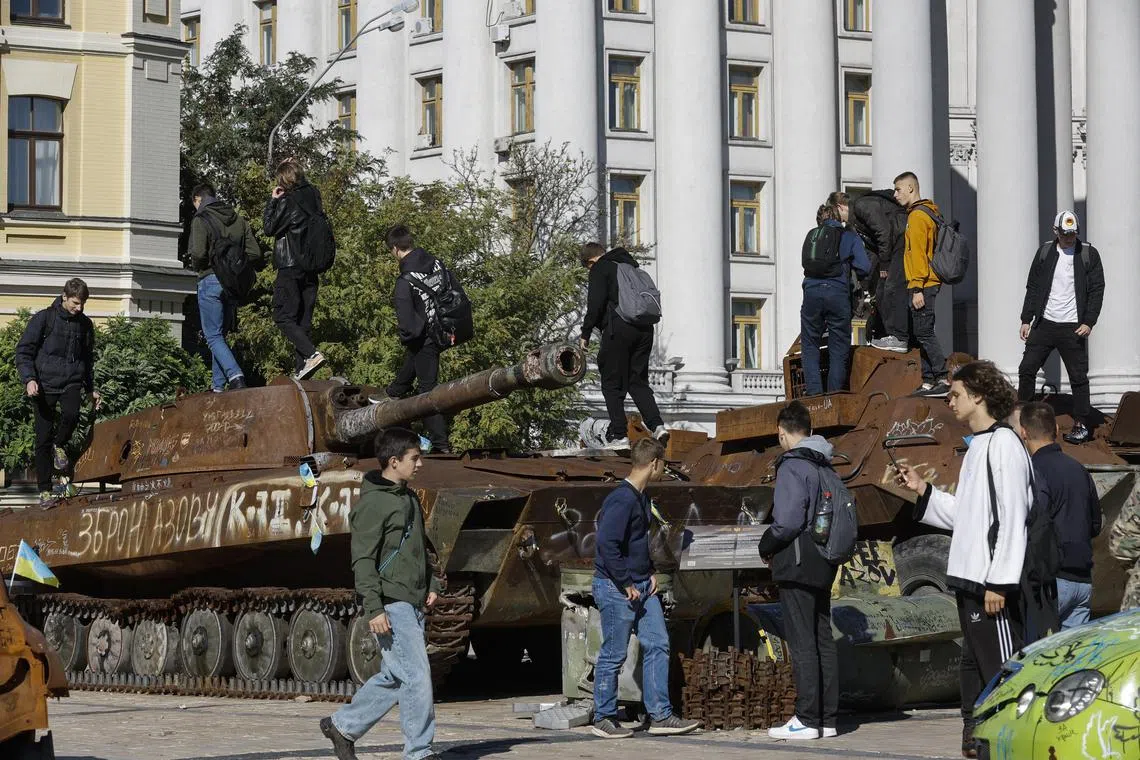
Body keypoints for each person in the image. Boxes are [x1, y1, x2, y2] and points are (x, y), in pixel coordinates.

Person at [896, 361, 1032, 758]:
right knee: (975, 664)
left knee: (1002, 669)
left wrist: (999, 582)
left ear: (979, 395)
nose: (949, 401)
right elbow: (968, 516)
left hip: (990, 584)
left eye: (955, 394)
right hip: (970, 579)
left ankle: (1010, 742)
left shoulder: (1004, 444)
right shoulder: (980, 447)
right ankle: (980, 738)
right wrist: (924, 491)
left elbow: (1013, 517)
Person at [321, 427, 444, 760]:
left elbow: (419, 548)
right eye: (414, 458)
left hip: (413, 599)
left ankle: (343, 725)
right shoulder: (374, 505)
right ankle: (419, 752)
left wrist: (431, 584)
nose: (420, 464)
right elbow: (362, 559)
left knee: (396, 674)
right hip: (392, 602)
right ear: (394, 461)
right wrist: (374, 608)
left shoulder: (407, 497)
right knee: (417, 677)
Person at [591, 437, 699, 739]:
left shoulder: (641, 497)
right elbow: (607, 544)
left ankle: (660, 715)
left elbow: (636, 542)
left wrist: (648, 572)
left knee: (658, 643)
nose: (664, 470)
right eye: (663, 464)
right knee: (614, 653)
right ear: (654, 464)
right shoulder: (623, 499)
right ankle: (604, 717)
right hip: (616, 588)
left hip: (642, 586)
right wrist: (626, 582)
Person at [757, 401, 840, 741]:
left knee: (802, 641)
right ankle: (827, 719)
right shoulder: (826, 464)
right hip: (823, 560)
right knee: (823, 639)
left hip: (797, 561)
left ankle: (806, 720)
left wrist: (765, 545)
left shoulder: (793, 465)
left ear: (782, 433)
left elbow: (788, 522)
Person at [1017, 210, 1105, 445]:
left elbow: (1097, 289)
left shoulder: (1088, 254)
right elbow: (1033, 287)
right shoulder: (1045, 252)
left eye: (1073, 233)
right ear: (1055, 231)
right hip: (1044, 323)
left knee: (1078, 377)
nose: (1070, 238)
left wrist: (1089, 321)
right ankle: (1020, 419)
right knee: (1027, 369)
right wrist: (1026, 319)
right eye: (1065, 234)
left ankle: (1082, 424)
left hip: (1073, 327)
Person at [15, 278, 102, 508]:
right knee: (42, 438)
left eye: (83, 303)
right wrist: (29, 379)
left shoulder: (85, 325)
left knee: (72, 414)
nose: (79, 308)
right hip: (43, 385)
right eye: (75, 303)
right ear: (64, 297)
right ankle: (45, 491)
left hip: (71, 381)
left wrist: (91, 388)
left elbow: (87, 359)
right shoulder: (44, 319)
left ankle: (60, 444)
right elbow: (24, 351)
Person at [1016, 401, 1102, 629]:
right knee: (1072, 660)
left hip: (1050, 583)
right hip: (1083, 581)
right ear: (1056, 429)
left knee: (1037, 657)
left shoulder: (1032, 471)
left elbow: (1033, 524)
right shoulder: (1079, 469)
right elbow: (1096, 525)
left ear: (1023, 432)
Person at [580, 243, 668, 450]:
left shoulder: (601, 268)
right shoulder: (633, 268)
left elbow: (595, 304)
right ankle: (657, 426)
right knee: (637, 382)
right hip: (645, 329)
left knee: (611, 383)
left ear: (591, 262)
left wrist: (585, 333)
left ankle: (619, 436)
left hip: (618, 328)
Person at [186, 182, 263, 392]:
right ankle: (218, 387)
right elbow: (255, 253)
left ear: (198, 200)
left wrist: (200, 265)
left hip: (209, 280)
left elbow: (199, 254)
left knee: (212, 335)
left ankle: (236, 376)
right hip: (232, 284)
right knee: (219, 335)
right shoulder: (238, 219)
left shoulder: (200, 219)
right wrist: (234, 262)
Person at [799, 193, 871, 395]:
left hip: (811, 292)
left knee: (810, 344)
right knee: (838, 347)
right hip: (837, 293)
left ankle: (814, 395)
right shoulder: (849, 236)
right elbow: (864, 267)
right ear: (838, 216)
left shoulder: (812, 236)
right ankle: (833, 397)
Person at [386, 225, 450, 453]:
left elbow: (408, 327)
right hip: (444, 328)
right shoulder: (435, 262)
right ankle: (394, 391)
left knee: (427, 391)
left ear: (395, 249)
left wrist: (409, 335)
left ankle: (441, 446)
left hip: (425, 338)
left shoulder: (405, 281)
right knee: (415, 360)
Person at [263, 158, 326, 380]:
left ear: (283, 181)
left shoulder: (287, 201)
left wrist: (273, 201)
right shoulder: (314, 196)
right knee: (303, 320)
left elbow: (269, 228)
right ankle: (303, 369)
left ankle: (310, 354)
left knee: (282, 315)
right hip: (312, 266)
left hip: (290, 265)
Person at [894, 172, 948, 395]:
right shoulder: (927, 213)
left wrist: (916, 287)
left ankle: (942, 377)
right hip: (926, 282)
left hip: (922, 284)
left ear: (910, 188)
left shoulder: (917, 217)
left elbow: (917, 254)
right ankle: (928, 380)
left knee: (924, 332)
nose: (895, 194)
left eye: (898, 189)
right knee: (919, 332)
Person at [850, 189, 909, 353]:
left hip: (900, 239)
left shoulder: (861, 206)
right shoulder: (856, 221)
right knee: (881, 291)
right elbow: (872, 252)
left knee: (892, 288)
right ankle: (889, 335)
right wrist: (866, 281)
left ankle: (899, 337)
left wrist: (884, 264)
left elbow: (883, 232)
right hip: (893, 244)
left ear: (841, 206)